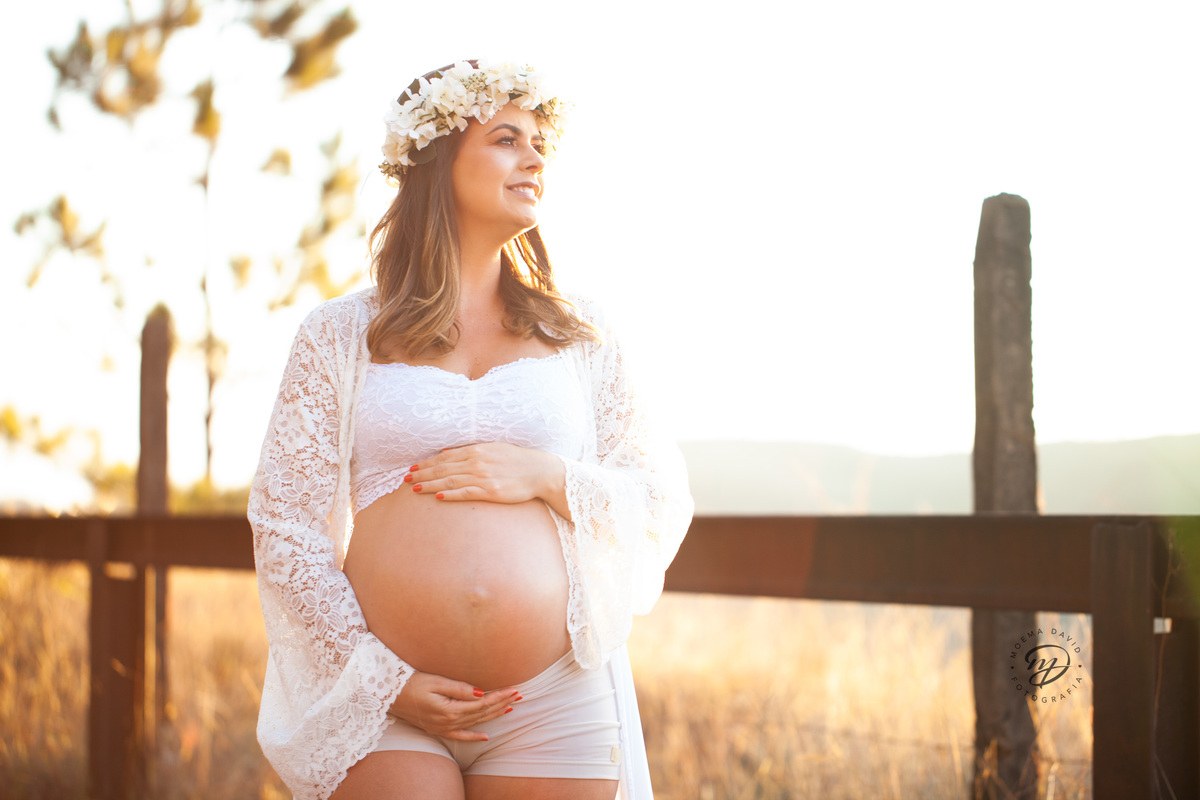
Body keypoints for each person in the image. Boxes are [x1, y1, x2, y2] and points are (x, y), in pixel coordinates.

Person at [248, 59, 694, 800]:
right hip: (388, 702)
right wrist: (381, 680)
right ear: (439, 159)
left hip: (550, 697)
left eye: (540, 142)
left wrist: (548, 478)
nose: (535, 157)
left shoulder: (582, 335)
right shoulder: (338, 335)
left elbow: (655, 493)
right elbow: (286, 524)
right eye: (507, 138)